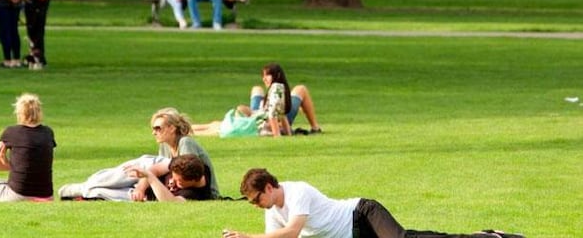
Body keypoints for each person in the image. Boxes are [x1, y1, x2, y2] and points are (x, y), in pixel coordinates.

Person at [223, 168, 525, 238]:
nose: (256, 204)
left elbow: (291, 233)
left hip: (362, 214)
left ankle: (485, 237)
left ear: (269, 187)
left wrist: (247, 237)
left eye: (256, 198)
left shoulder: (296, 191)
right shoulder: (273, 210)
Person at [58, 107, 220, 201]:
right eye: (153, 129)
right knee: (122, 175)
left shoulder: (186, 144)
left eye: (158, 128)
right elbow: (157, 169)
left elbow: (188, 172)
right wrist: (145, 182)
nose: (154, 132)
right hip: (157, 182)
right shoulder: (165, 147)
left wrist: (148, 181)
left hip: (178, 190)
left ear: (172, 128)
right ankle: (84, 186)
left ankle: (83, 190)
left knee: (117, 191)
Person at [0, 93, 56, 202]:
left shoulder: (11, 132)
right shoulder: (48, 133)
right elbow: (35, 166)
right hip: (46, 196)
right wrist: (13, 165)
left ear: (19, 113)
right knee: (1, 182)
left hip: (18, 195)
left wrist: (5, 161)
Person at [193, 63, 323, 137]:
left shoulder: (278, 90)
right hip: (262, 114)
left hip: (273, 117)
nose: (264, 79)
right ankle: (185, 128)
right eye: (263, 76)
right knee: (256, 90)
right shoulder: (275, 89)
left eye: (267, 76)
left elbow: (276, 115)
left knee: (301, 89)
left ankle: (315, 126)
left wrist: (280, 134)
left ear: (276, 75)